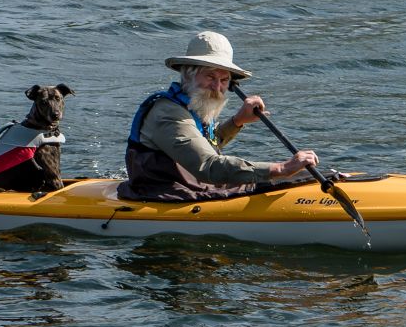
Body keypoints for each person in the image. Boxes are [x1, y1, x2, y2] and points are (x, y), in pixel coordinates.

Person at [118, 31, 317, 202]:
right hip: (163, 195)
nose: (217, 87)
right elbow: (208, 166)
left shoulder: (194, 103)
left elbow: (203, 146)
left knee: (319, 177)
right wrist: (281, 168)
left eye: (224, 80)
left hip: (193, 187)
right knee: (279, 177)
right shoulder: (169, 114)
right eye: (210, 77)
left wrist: (237, 122)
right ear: (188, 74)